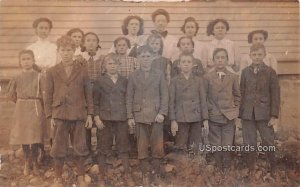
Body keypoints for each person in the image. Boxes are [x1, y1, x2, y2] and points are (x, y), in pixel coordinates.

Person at [44, 35, 93, 187]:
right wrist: (50, 115)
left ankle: (80, 175)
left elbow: (88, 93)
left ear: (74, 51)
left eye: (69, 50)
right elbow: (48, 94)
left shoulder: (82, 70)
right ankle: (58, 177)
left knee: (80, 146)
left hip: (78, 114)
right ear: (58, 51)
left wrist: (90, 114)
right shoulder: (52, 71)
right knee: (58, 146)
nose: (66, 53)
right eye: (63, 50)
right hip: (60, 114)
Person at [126, 45, 168, 186]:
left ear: (153, 58)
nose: (145, 59)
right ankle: (145, 175)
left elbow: (165, 95)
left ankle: (155, 174)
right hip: (139, 116)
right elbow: (129, 97)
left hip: (156, 116)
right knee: (142, 146)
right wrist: (130, 116)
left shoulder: (159, 74)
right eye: (142, 56)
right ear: (138, 58)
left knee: (157, 147)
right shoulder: (133, 75)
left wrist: (162, 112)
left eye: (148, 56)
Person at [93, 53, 134, 187]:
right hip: (105, 119)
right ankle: (102, 177)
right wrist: (97, 117)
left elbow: (128, 100)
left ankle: (127, 174)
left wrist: (129, 117)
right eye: (109, 64)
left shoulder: (124, 81)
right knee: (103, 147)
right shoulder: (100, 80)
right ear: (105, 66)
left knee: (123, 146)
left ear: (119, 65)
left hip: (121, 119)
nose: (112, 66)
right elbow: (95, 101)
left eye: (115, 63)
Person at [240, 43, 280, 180]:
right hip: (247, 114)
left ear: (264, 55)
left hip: (264, 114)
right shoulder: (245, 72)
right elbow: (242, 93)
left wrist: (274, 115)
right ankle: (251, 168)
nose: (257, 57)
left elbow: (275, 95)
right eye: (254, 54)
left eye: (260, 54)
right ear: (250, 55)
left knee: (268, 141)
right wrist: (241, 115)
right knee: (249, 142)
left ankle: (273, 168)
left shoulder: (270, 72)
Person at [7, 50, 45, 176]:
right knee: (24, 136)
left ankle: (35, 162)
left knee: (34, 136)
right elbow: (11, 94)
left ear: (33, 60)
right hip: (21, 107)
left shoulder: (39, 76)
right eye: (23, 59)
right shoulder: (17, 77)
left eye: (29, 59)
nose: (26, 61)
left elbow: (44, 92)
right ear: (20, 62)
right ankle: (26, 162)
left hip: (35, 107)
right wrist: (21, 101)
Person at [204, 48, 241, 172]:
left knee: (227, 144)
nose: (220, 60)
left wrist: (234, 110)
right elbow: (205, 96)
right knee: (215, 143)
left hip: (228, 117)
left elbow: (237, 95)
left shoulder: (233, 77)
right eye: (217, 58)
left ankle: (226, 170)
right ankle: (218, 169)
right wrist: (209, 110)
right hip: (214, 115)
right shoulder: (207, 77)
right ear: (213, 60)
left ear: (227, 60)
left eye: (223, 57)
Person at [169, 52, 208, 154]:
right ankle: (182, 167)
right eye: (183, 62)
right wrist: (173, 120)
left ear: (193, 64)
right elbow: (171, 102)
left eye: (189, 62)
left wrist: (205, 119)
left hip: (196, 116)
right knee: (181, 145)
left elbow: (203, 100)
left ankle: (195, 166)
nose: (186, 64)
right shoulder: (174, 81)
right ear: (179, 65)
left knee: (195, 146)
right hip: (181, 117)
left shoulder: (199, 80)